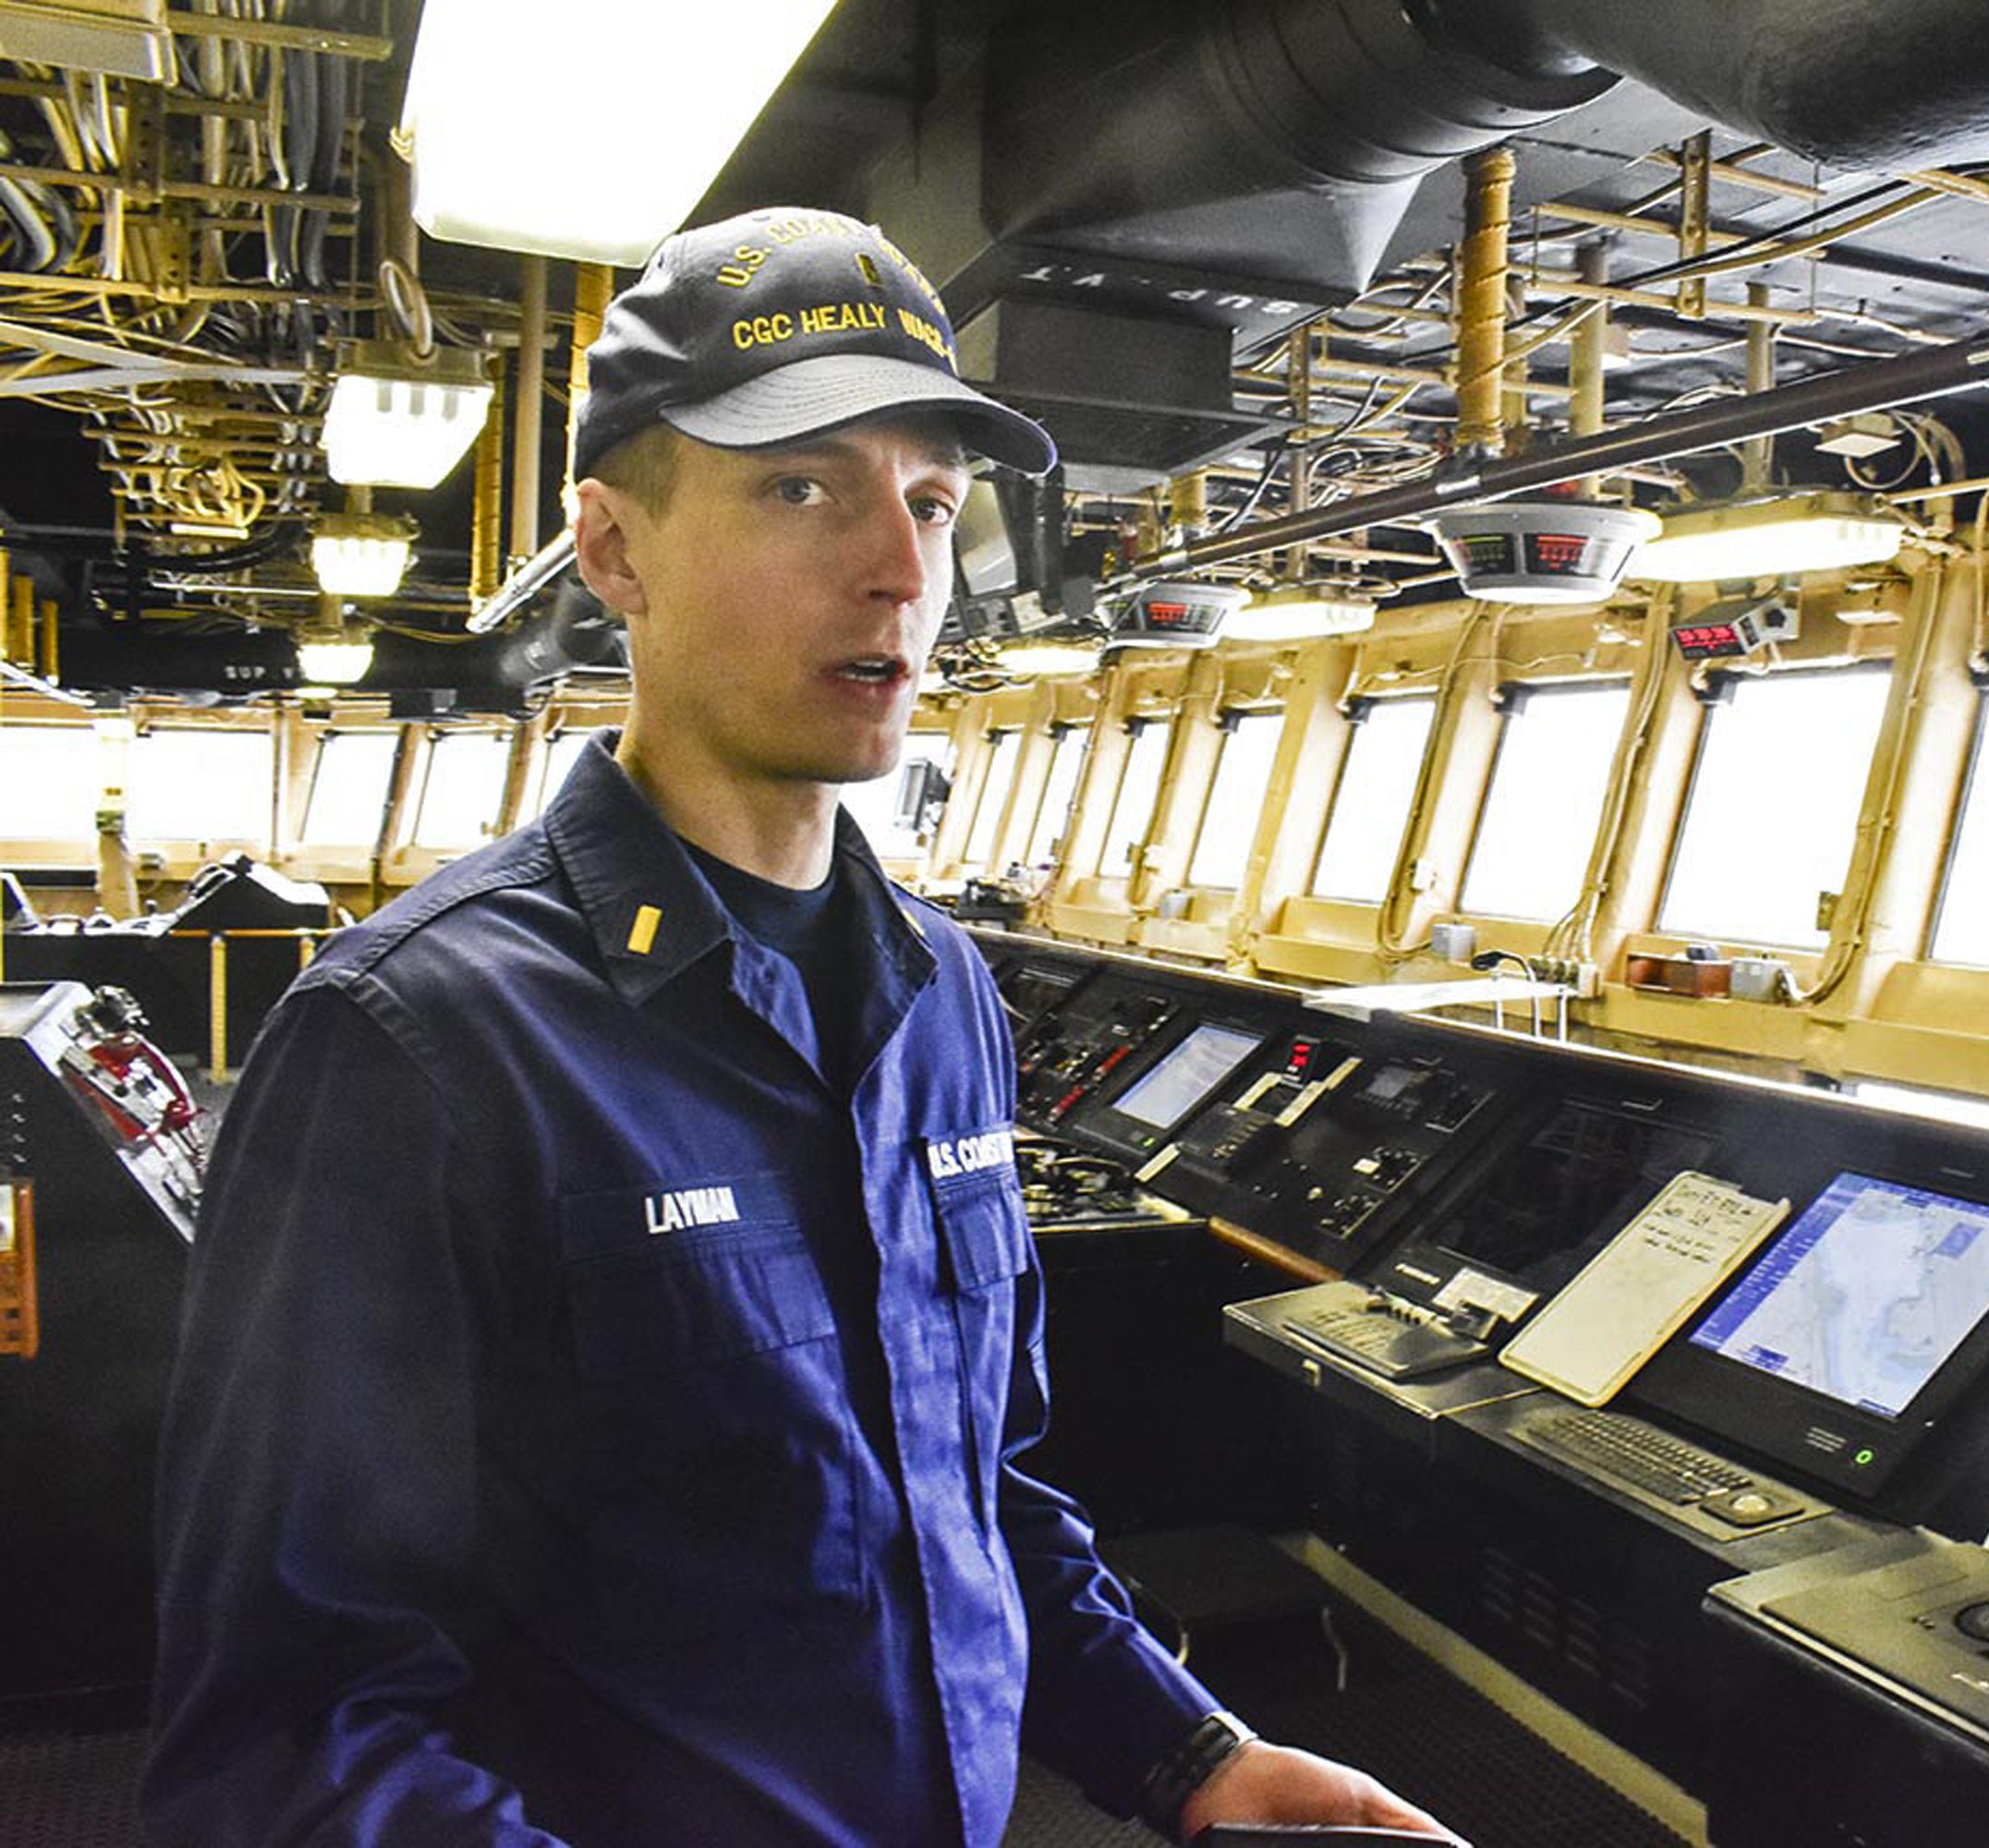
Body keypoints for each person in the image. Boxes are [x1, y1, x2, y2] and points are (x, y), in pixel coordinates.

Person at [144, 206, 1454, 1848]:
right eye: (801, 487)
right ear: (614, 551)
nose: (902, 572)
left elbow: (969, 1493)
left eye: (928, 499)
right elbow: (294, 1729)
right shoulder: (416, 1043)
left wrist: (1188, 1758)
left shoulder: (944, 994)